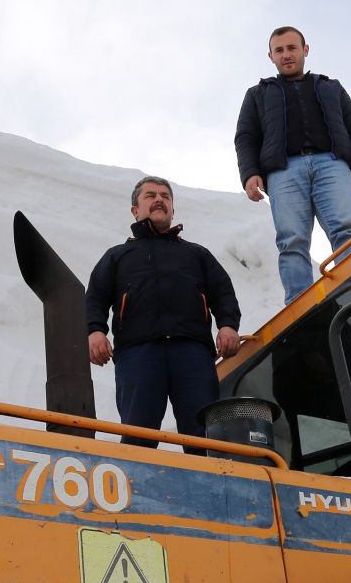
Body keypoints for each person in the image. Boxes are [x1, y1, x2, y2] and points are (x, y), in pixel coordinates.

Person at [86, 176, 243, 448]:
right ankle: (137, 487)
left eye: (165, 196)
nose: (159, 199)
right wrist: (95, 331)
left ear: (172, 209)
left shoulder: (196, 254)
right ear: (135, 210)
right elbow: (95, 298)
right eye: (150, 195)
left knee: (203, 436)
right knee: (138, 433)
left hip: (192, 352)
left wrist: (228, 325)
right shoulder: (117, 255)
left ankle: (207, 488)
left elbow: (223, 292)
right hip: (138, 353)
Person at [235, 26, 351, 302]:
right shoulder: (258, 93)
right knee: (291, 240)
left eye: (292, 48)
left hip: (332, 164)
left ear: (305, 50)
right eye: (279, 50)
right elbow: (246, 136)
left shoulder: (330, 87)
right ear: (271, 56)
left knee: (345, 229)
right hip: (283, 170)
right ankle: (299, 306)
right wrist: (250, 173)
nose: (286, 55)